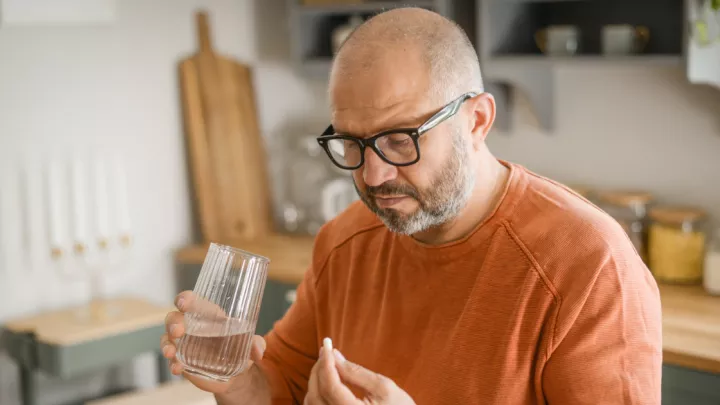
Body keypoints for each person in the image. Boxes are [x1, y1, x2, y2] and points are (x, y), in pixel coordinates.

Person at [161, 7, 662, 405]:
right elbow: (285, 388)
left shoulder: (590, 266)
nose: (372, 175)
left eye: (400, 140)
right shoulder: (344, 241)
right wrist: (236, 382)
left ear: (477, 120)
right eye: (351, 143)